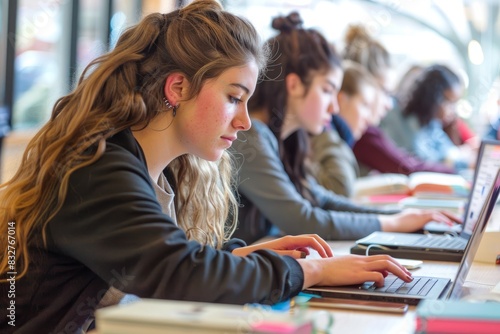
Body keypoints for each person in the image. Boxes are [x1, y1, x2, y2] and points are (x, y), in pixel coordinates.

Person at [0, 2, 417, 332]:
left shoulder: (157, 170)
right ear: (177, 87)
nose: (245, 120)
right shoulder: (98, 168)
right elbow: (177, 271)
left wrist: (239, 256)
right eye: (234, 97)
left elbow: (162, 260)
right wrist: (309, 271)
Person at [230, 12, 459, 245]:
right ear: (294, 85)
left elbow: (321, 200)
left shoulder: (282, 139)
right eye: (327, 90)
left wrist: (398, 216)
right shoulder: (249, 136)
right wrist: (390, 223)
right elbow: (301, 220)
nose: (334, 107)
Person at [342, 25, 456, 175]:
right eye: (384, 92)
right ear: (363, 86)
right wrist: (455, 170)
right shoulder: (364, 135)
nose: (389, 104)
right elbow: (406, 166)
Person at [382, 64, 475, 171]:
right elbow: (421, 158)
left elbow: (448, 151)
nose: (453, 110)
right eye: (450, 102)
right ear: (434, 97)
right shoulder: (397, 116)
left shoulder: (432, 123)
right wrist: (456, 161)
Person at [309, 61, 378, 197]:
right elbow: (341, 188)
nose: (369, 119)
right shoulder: (319, 134)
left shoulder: (342, 139)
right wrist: (326, 129)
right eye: (365, 105)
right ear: (341, 100)